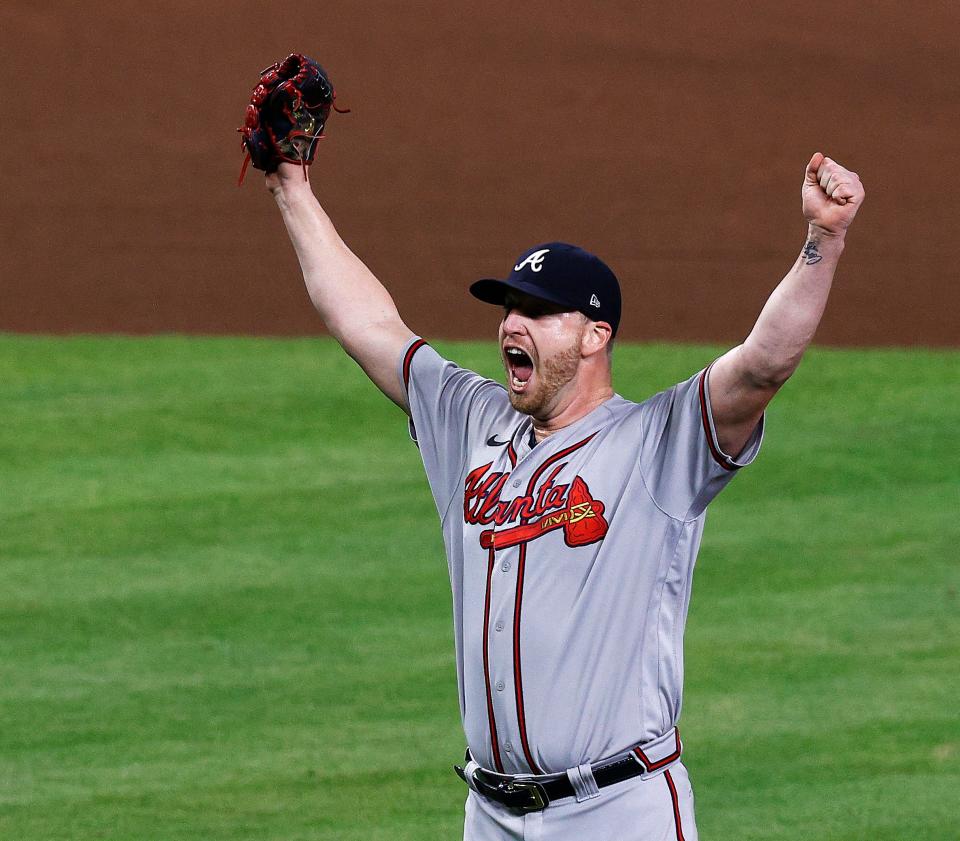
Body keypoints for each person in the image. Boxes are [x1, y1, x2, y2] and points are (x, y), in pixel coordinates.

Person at [264, 152, 864, 840]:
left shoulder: (659, 444)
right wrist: (290, 185)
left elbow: (762, 365)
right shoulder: (470, 422)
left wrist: (824, 239)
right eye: (511, 306)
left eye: (540, 312)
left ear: (595, 334)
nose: (513, 323)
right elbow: (368, 323)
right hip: (489, 813)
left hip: (619, 808)